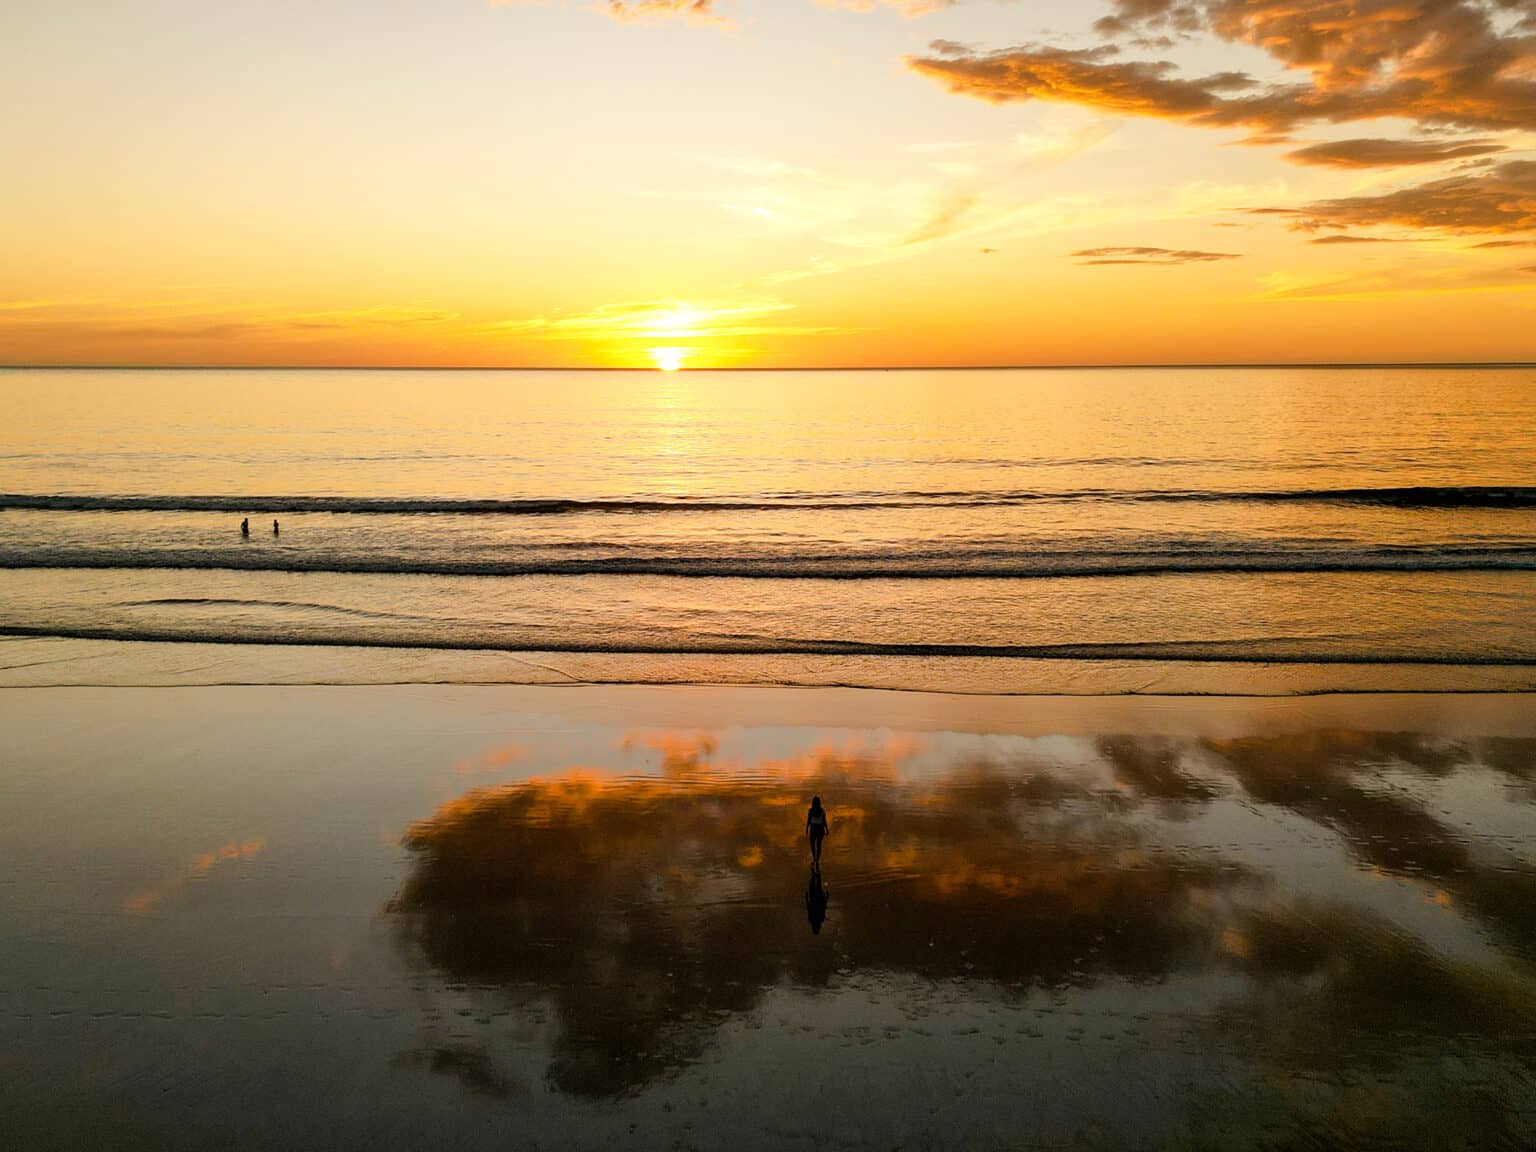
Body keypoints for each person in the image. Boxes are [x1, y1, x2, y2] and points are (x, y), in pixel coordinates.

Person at [805, 795, 830, 866]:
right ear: (820, 803)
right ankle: (817, 860)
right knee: (819, 845)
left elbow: (809, 820)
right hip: (820, 829)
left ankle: (814, 858)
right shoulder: (822, 810)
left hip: (813, 829)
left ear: (812, 803)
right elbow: (824, 821)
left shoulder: (811, 810)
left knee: (813, 845)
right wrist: (827, 829)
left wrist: (806, 828)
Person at [806, 869, 828, 935]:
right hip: (817, 899)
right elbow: (824, 907)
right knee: (816, 884)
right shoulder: (815, 919)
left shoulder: (819, 919)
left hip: (816, 899)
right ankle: (815, 871)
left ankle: (815, 872)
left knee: (816, 884)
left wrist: (826, 897)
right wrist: (806, 898)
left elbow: (809, 908)